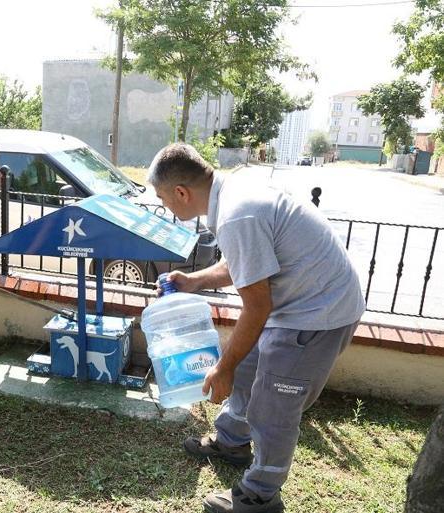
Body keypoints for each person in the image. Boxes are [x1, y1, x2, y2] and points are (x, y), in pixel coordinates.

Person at [148, 143, 365, 513]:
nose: (164, 204)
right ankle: (231, 442)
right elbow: (245, 264)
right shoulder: (233, 193)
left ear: (181, 192)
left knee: (273, 409)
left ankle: (260, 496)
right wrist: (193, 281)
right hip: (297, 304)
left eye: (162, 197)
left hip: (317, 315)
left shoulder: (237, 214)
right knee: (248, 371)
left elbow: (258, 305)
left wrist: (223, 367)